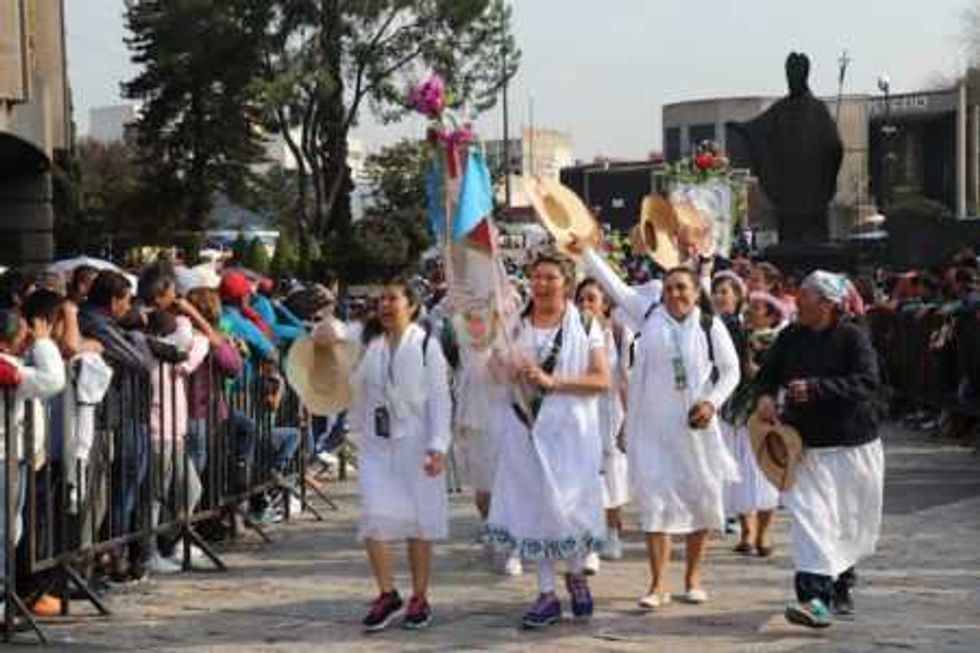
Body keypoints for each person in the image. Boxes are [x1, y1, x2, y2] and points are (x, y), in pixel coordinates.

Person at [575, 239, 740, 610]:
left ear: (696, 291)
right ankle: (657, 583)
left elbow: (731, 371)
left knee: (702, 501)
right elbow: (613, 284)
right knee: (655, 504)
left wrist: (712, 403)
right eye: (667, 288)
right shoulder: (647, 315)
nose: (674, 294)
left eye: (681, 287)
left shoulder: (711, 325)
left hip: (695, 431)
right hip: (651, 429)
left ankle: (693, 578)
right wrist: (584, 252)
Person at [753, 270, 885, 629]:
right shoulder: (792, 337)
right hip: (806, 447)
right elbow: (767, 373)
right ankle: (813, 598)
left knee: (845, 523)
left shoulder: (852, 338)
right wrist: (766, 397)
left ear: (826, 304)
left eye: (806, 295)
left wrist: (816, 389)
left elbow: (867, 382)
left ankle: (840, 584)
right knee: (810, 521)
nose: (798, 300)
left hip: (851, 445)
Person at [485, 252, 610, 629]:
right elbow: (493, 373)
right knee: (534, 506)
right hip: (524, 428)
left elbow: (601, 380)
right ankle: (545, 593)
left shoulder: (586, 324)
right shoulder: (514, 326)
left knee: (568, 507)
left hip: (570, 432)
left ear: (567, 284)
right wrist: (504, 366)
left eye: (551, 278)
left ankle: (574, 574)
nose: (542, 284)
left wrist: (553, 382)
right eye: (537, 277)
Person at [345, 279, 452, 632]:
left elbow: (440, 399)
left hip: (416, 443)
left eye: (393, 299)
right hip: (377, 445)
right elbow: (349, 377)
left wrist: (438, 445)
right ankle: (387, 592)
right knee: (375, 515)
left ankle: (419, 596)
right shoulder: (369, 345)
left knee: (419, 522)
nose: (386, 306)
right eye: (381, 300)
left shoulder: (427, 347)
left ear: (413, 306)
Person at [0, 307, 66, 618]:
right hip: (4, 459)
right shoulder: (5, 367)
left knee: (12, 531)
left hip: (15, 458)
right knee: (3, 532)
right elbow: (52, 380)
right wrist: (43, 342)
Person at [575, 278, 632, 567]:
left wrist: (629, 418)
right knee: (585, 477)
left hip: (610, 413)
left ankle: (613, 532)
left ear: (605, 304)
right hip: (581, 414)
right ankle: (589, 542)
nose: (585, 305)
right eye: (581, 299)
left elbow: (625, 378)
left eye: (591, 299)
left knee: (613, 477)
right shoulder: (572, 333)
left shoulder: (620, 334)